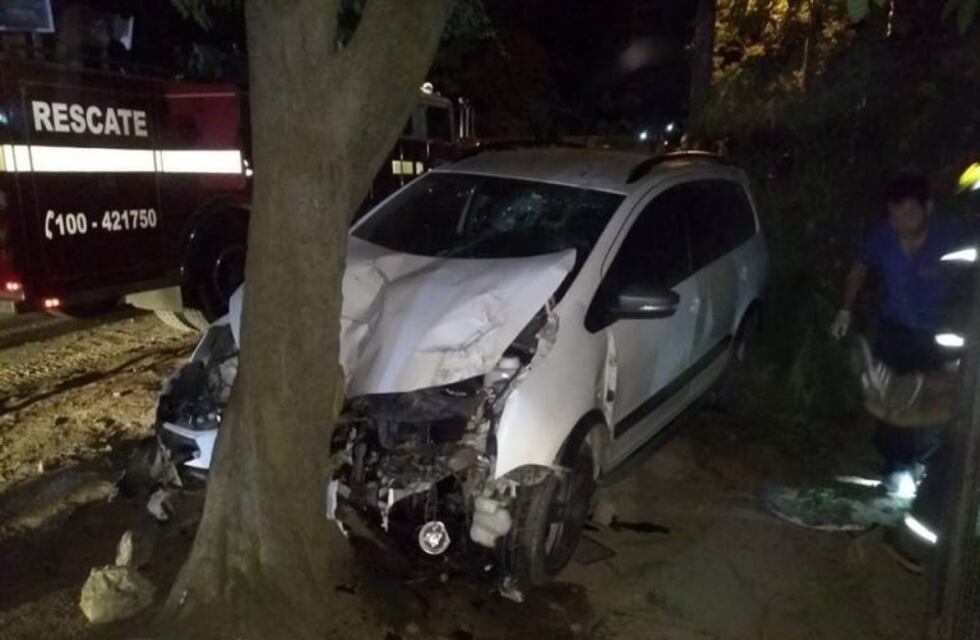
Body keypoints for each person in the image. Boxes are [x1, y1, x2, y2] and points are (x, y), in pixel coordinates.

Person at [831, 173, 964, 496]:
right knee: (887, 400)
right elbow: (859, 270)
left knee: (933, 404)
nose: (901, 222)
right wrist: (845, 309)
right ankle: (896, 469)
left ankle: (925, 470)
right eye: (894, 215)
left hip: (940, 335)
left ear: (927, 208)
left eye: (908, 213)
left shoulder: (950, 238)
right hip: (895, 331)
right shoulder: (883, 237)